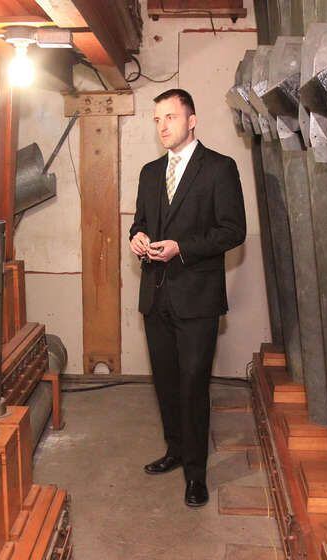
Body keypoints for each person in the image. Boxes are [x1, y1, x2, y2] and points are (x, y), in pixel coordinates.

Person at [129, 88, 246, 507]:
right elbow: (141, 221)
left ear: (191, 120)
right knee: (166, 383)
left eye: (171, 118)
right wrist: (137, 238)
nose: (162, 126)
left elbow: (233, 231)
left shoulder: (219, 168)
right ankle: (175, 451)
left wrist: (184, 247)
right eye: (157, 119)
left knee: (193, 385)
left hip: (197, 299)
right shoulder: (148, 172)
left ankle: (196, 474)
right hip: (156, 297)